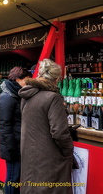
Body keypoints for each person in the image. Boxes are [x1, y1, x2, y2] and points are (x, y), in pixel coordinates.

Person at [19, 59, 74, 194]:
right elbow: (59, 132)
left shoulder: (27, 95)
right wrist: (68, 151)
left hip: (29, 153)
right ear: (56, 79)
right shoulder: (53, 98)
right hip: (49, 157)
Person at [0, 67, 31, 194]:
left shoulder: (17, 94)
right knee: (13, 177)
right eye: (26, 80)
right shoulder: (7, 97)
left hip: (18, 141)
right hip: (12, 143)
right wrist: (10, 147)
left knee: (16, 176)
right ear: (17, 79)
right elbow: (5, 125)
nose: (28, 83)